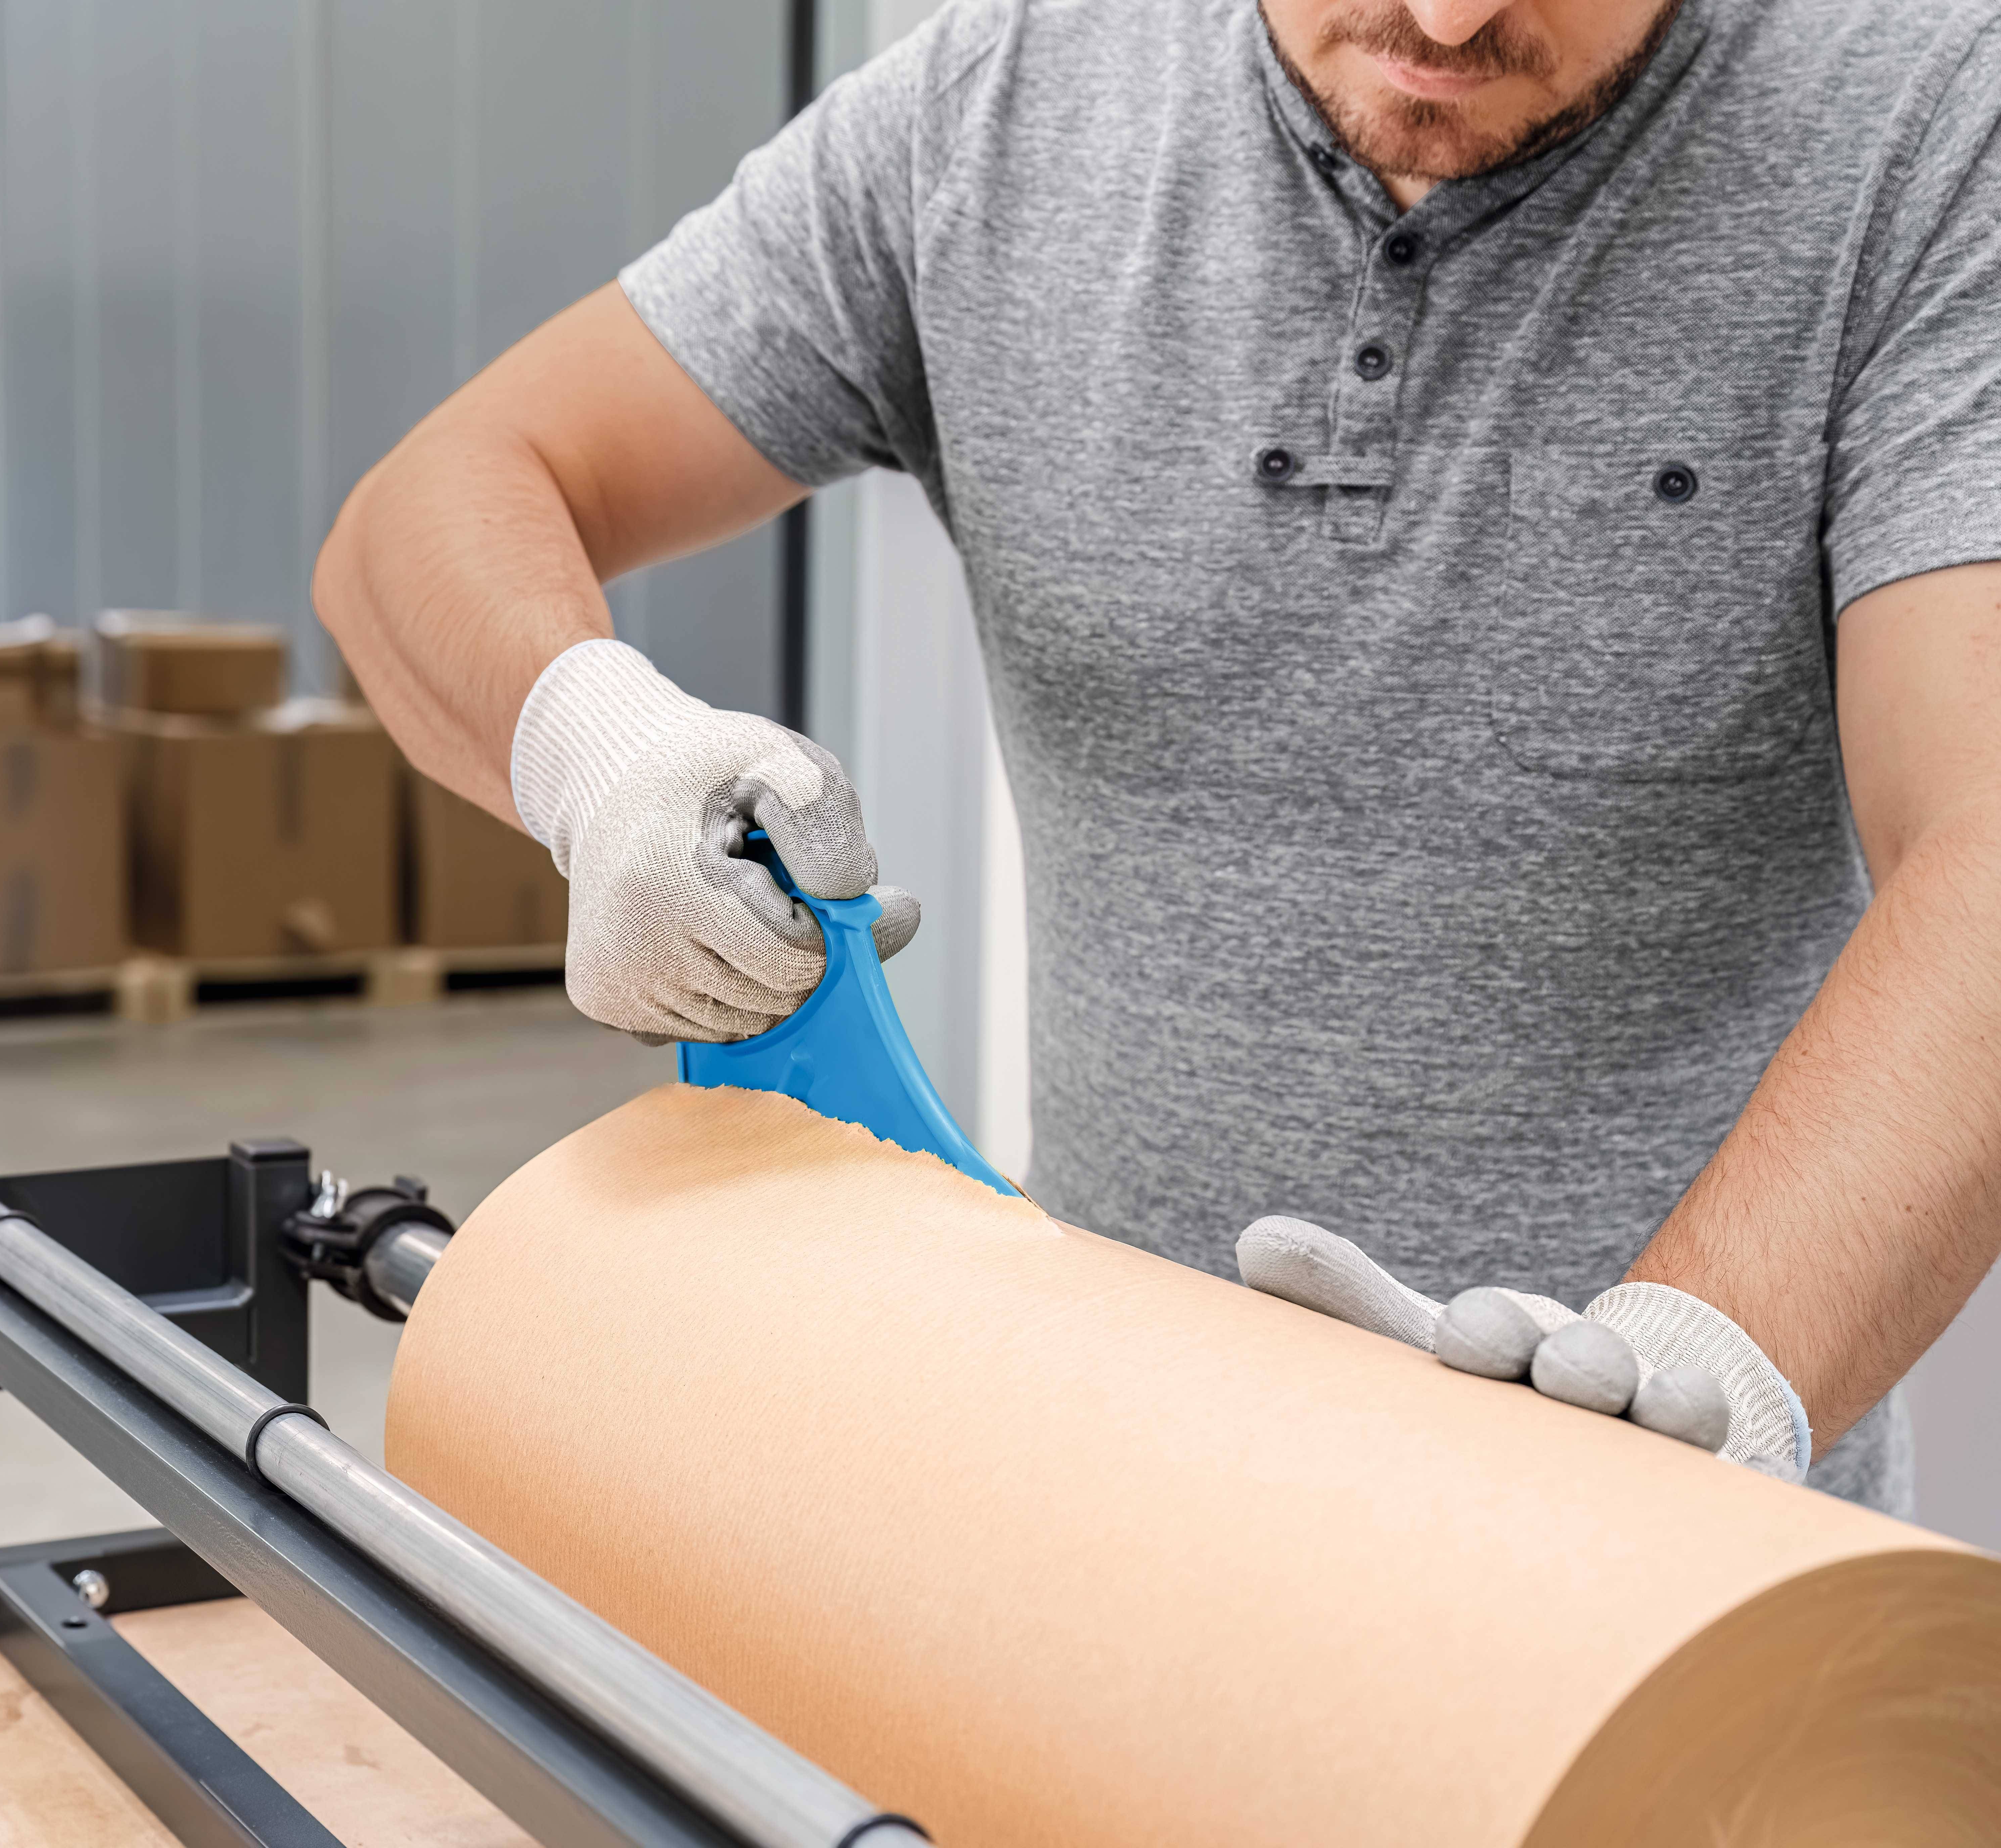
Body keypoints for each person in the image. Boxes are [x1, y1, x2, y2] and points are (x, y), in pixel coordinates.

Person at [313, 0, 2001, 1511]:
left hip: (1675, 1585)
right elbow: (444, 497)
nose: (1447, 12)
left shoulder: (1924, 133)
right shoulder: (998, 114)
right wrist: (598, 752)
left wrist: (1701, 1372)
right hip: (1111, 1508)